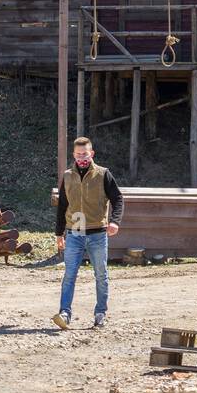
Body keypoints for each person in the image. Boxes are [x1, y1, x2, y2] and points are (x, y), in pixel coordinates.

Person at [53, 137, 124, 330]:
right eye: (78, 154)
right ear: (74, 155)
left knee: (101, 274)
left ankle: (100, 313)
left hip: (97, 234)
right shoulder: (68, 176)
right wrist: (59, 234)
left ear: (91, 154)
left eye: (85, 154)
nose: (81, 157)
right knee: (69, 275)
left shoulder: (103, 174)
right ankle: (65, 314)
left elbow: (118, 199)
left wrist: (115, 221)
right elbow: (62, 207)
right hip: (74, 234)